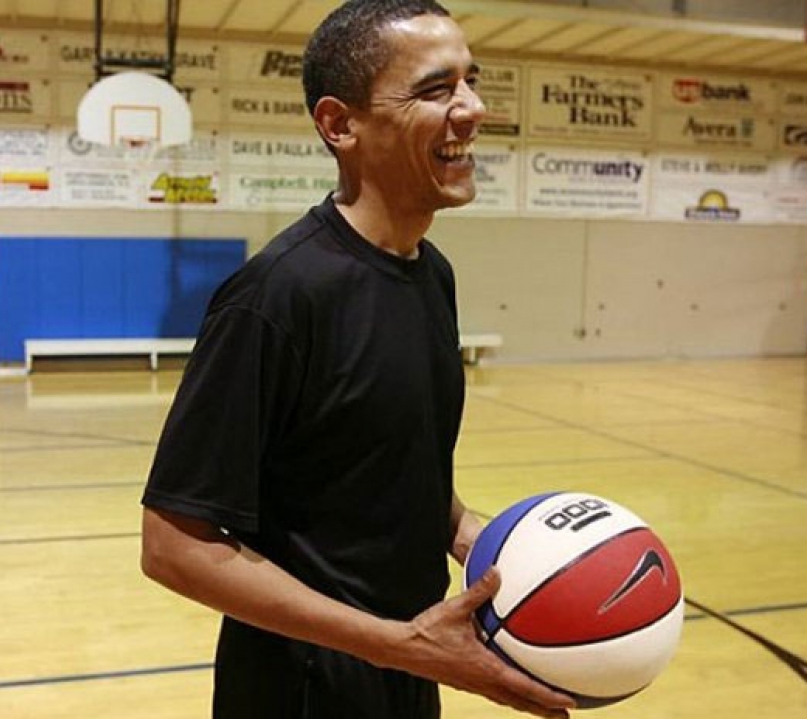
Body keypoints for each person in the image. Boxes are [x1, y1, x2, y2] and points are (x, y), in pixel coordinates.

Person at [140, 1, 576, 717]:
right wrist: (394, 642)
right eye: (436, 90)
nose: (471, 108)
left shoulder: (431, 273)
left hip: (409, 665)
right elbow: (173, 545)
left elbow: (381, 473)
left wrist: (487, 543)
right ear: (340, 125)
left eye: (470, 81)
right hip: (301, 689)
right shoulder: (278, 295)